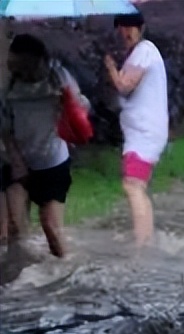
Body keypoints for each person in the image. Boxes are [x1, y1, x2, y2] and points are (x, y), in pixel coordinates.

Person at [3, 34, 88, 259]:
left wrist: (69, 104)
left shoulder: (58, 77)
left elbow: (82, 108)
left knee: (50, 226)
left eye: (28, 65)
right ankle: (18, 271)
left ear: (40, 59)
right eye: (18, 66)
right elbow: (5, 128)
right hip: (17, 160)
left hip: (52, 162)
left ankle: (67, 269)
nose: (25, 72)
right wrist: (16, 162)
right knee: (14, 227)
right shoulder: (10, 86)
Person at [104, 10, 168, 247]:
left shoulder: (144, 51)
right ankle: (145, 237)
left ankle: (142, 243)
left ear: (140, 29)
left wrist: (110, 66)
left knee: (132, 185)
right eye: (121, 27)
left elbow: (124, 85)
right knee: (136, 185)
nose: (125, 32)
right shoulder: (139, 54)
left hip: (145, 133)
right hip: (141, 132)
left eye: (130, 27)